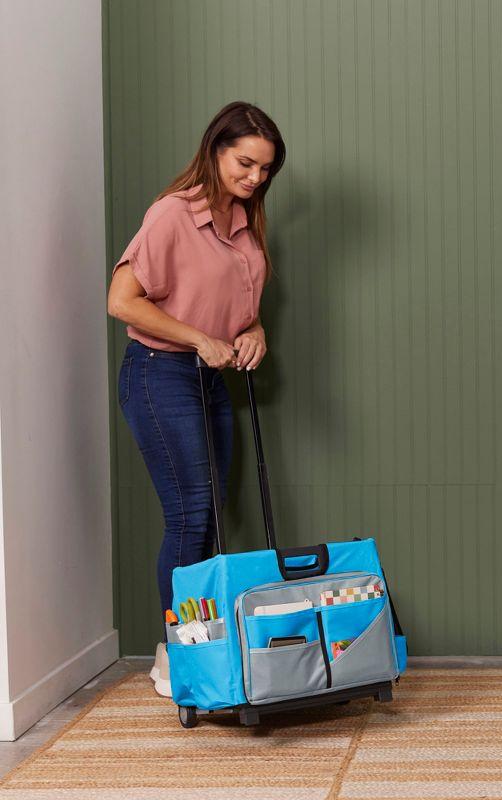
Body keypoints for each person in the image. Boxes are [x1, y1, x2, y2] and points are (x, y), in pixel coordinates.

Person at [107, 101, 286, 696]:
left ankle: (203, 644)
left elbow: (241, 305)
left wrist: (253, 331)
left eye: (265, 169)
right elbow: (122, 300)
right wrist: (199, 339)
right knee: (190, 515)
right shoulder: (173, 215)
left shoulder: (245, 219)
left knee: (207, 516)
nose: (255, 177)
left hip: (209, 377)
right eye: (245, 162)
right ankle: (178, 654)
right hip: (161, 373)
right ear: (215, 149)